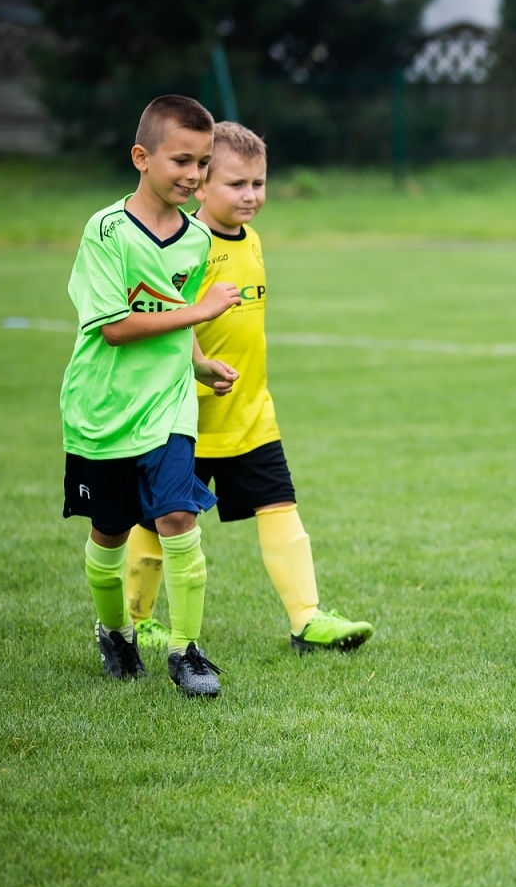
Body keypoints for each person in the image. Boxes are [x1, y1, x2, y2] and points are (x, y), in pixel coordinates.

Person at [124, 122, 375, 653]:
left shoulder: (254, 241)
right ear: (202, 184)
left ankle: (306, 619)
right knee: (155, 520)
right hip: (183, 417)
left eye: (258, 184)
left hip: (251, 412)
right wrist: (197, 368)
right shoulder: (185, 246)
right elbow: (168, 320)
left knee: (280, 506)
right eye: (237, 185)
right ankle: (138, 620)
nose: (251, 196)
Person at [60, 94, 241, 698]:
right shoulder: (106, 231)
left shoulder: (194, 239)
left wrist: (199, 362)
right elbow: (115, 327)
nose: (194, 176)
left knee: (177, 517)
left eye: (203, 163)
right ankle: (114, 632)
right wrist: (203, 309)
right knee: (109, 531)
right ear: (142, 157)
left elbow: (172, 315)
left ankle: (186, 651)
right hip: (103, 408)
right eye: (181, 161)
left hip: (168, 407)